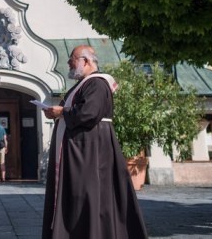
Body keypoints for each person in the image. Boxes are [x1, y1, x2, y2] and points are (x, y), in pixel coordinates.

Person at [41, 46, 147, 239]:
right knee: (79, 198)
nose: (68, 64)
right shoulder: (83, 84)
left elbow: (89, 113)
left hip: (90, 152)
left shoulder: (97, 84)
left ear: (86, 61)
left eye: (72, 59)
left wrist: (61, 112)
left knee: (89, 198)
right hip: (82, 150)